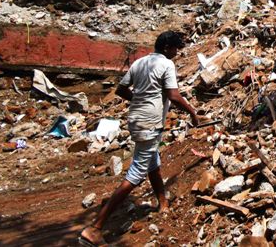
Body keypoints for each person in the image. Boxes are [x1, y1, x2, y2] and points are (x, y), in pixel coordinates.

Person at [80, 31, 200, 246]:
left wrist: (140, 99)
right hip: (150, 123)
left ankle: (162, 203)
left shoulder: (139, 63)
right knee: (136, 173)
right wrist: (192, 112)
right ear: (166, 48)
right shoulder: (166, 64)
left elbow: (121, 89)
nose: (176, 53)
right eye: (175, 49)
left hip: (136, 119)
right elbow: (173, 95)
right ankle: (95, 228)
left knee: (152, 162)